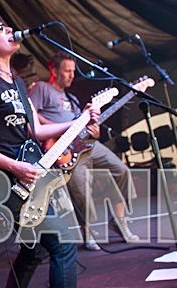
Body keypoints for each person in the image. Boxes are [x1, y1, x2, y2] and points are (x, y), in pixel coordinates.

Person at [0, 17, 114, 288]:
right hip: (6, 180)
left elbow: (32, 132)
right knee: (63, 243)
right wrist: (14, 165)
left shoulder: (15, 82)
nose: (11, 31)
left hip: (25, 175)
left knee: (36, 249)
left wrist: (78, 121)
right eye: (1, 29)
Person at [29, 52, 139, 251]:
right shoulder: (42, 89)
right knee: (82, 191)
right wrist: (61, 128)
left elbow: (85, 126)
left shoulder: (71, 97)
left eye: (73, 71)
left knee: (121, 170)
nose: (72, 75)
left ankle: (120, 221)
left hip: (87, 144)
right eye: (67, 71)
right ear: (54, 70)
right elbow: (32, 117)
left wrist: (94, 131)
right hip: (66, 151)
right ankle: (88, 233)